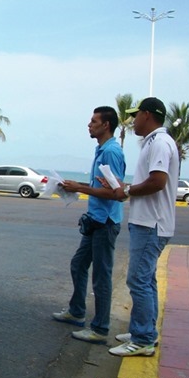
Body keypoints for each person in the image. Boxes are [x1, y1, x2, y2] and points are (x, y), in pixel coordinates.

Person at [107, 97, 179, 357]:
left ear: (146, 115)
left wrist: (126, 191)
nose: (133, 120)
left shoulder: (159, 142)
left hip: (151, 225)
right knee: (146, 280)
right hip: (149, 223)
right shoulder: (156, 142)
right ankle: (144, 330)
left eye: (135, 115)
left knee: (137, 280)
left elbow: (158, 182)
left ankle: (143, 339)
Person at [52, 106, 126, 344]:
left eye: (94, 121)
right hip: (96, 220)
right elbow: (102, 184)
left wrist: (80, 188)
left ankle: (101, 328)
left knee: (101, 277)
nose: (89, 124)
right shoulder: (101, 149)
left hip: (106, 222)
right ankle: (76, 311)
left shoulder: (111, 152)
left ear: (106, 125)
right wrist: (75, 185)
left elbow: (114, 192)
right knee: (78, 264)